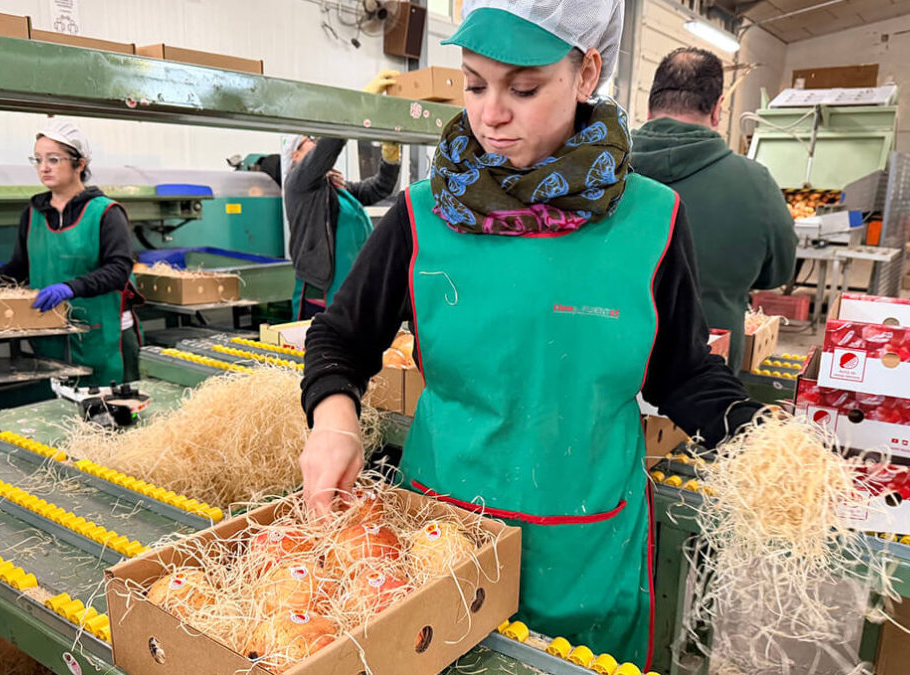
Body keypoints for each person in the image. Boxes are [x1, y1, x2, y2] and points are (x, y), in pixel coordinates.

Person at [298, 1, 762, 667]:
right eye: (474, 84)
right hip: (440, 546)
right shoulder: (424, 215)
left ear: (586, 73)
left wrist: (759, 439)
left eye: (523, 89)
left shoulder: (651, 220)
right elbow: (341, 337)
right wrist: (334, 421)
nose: (490, 114)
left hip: (585, 554)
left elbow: (681, 371)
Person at [631, 47, 797, 368]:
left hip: (607, 369)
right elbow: (776, 274)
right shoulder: (756, 183)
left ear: (650, 107)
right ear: (718, 109)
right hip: (706, 370)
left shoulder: (600, 170)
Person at [0, 120, 142, 386]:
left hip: (103, 333)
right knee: (61, 404)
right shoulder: (33, 215)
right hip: (52, 334)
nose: (44, 167)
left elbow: (118, 270)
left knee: (114, 404)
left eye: (53, 159)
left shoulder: (105, 212)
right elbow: (20, 268)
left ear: (79, 164)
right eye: (37, 159)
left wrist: (70, 288)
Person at [284, 71, 403, 320]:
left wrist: (390, 156)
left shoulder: (335, 188)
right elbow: (326, 150)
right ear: (295, 155)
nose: (316, 143)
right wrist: (355, 106)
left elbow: (380, 188)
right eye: (309, 140)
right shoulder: (298, 184)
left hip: (354, 289)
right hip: (322, 295)